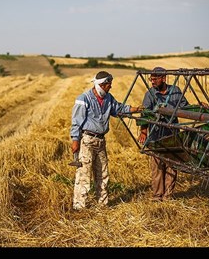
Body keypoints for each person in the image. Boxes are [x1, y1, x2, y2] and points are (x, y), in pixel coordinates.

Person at [70, 71, 141, 210]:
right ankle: (79, 207)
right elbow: (76, 121)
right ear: (101, 85)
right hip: (87, 140)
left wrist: (136, 109)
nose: (110, 87)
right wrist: (75, 140)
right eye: (109, 84)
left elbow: (119, 109)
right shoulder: (83, 99)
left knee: (103, 173)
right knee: (84, 174)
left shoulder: (108, 98)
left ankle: (103, 204)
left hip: (101, 141)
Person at [138, 67, 189, 202]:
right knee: (157, 166)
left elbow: (186, 107)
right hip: (155, 134)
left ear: (163, 78)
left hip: (172, 134)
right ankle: (157, 195)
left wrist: (200, 107)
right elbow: (145, 113)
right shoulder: (150, 94)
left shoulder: (175, 91)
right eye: (151, 79)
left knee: (171, 165)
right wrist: (144, 131)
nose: (152, 82)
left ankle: (168, 195)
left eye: (155, 79)